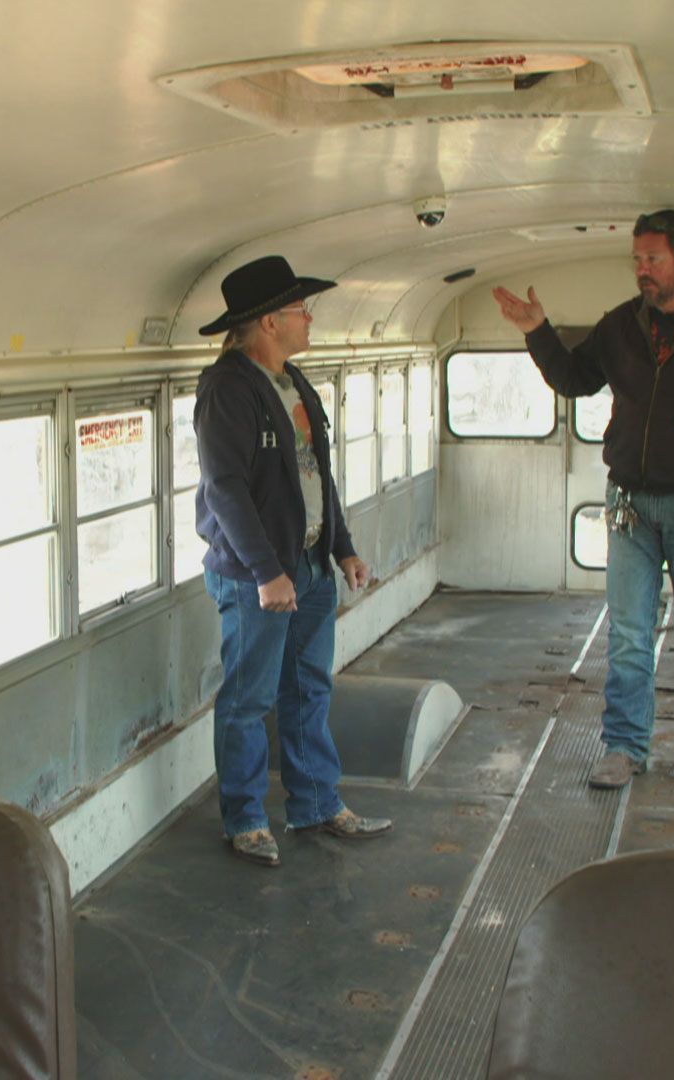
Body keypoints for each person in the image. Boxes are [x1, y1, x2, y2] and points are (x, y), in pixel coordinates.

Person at [492, 209, 674, 791]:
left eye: (653, 258)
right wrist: (538, 331)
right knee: (627, 632)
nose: (642, 270)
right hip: (630, 503)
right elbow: (577, 378)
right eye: (637, 259)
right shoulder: (625, 325)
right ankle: (625, 746)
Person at [194, 255, 392, 867]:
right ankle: (246, 819)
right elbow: (224, 487)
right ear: (267, 323)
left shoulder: (294, 381)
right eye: (299, 309)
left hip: (307, 567)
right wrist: (265, 572)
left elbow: (317, 475)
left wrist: (343, 546)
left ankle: (315, 802)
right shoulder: (228, 387)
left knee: (309, 690)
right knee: (249, 699)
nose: (309, 318)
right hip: (259, 575)